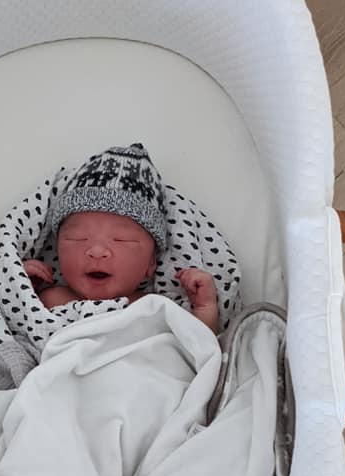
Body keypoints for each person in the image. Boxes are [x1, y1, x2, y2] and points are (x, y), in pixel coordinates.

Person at [22, 143, 220, 336]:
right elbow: (16, 332)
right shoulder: (47, 299)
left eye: (122, 240)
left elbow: (196, 347)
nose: (97, 251)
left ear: (151, 263)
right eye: (78, 238)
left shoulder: (155, 307)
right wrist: (22, 286)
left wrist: (204, 308)